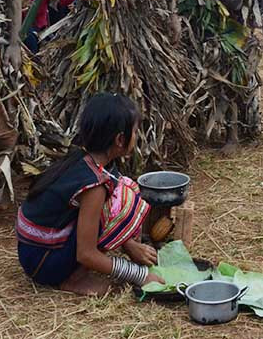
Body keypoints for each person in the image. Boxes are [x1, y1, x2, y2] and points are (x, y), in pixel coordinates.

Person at [16, 93, 160, 294]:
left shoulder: (86, 159)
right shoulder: (94, 187)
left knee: (121, 191)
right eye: (135, 131)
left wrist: (130, 246)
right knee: (121, 201)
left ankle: (71, 269)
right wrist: (140, 276)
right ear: (120, 139)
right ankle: (74, 279)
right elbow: (86, 254)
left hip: (31, 250)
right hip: (43, 263)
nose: (137, 137)